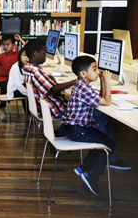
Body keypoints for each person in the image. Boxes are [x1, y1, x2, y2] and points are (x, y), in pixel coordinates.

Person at [23, 39, 130, 170]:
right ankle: (110, 156)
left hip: (48, 107)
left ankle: (66, 132)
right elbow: (54, 89)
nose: (46, 56)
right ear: (35, 54)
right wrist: (82, 80)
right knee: (100, 115)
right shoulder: (37, 72)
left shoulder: (28, 68)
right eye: (44, 53)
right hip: (57, 109)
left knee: (90, 109)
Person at [61, 55, 117, 195]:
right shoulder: (84, 89)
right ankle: (91, 176)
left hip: (74, 128)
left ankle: (83, 168)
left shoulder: (81, 85)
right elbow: (107, 102)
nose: (98, 72)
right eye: (95, 69)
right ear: (83, 73)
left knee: (102, 140)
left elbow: (101, 99)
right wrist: (108, 82)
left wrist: (103, 81)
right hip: (78, 130)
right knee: (110, 145)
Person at [6, 46, 29, 113]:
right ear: (20, 56)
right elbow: (18, 85)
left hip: (22, 88)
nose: (26, 57)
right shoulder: (15, 67)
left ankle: (31, 113)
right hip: (15, 90)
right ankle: (31, 113)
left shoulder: (28, 66)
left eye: (28, 56)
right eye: (24, 55)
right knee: (33, 94)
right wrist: (29, 93)